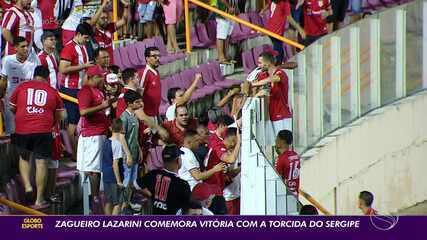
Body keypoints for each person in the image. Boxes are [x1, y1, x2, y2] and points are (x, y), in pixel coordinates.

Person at [9, 66, 65, 206]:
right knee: (41, 163)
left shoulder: (22, 87)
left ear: (34, 75)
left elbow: (11, 107)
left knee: (24, 158)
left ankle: (28, 186)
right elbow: (60, 116)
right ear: (47, 78)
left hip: (22, 128)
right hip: (43, 129)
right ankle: (39, 198)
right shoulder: (52, 91)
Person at [77, 66, 117, 202]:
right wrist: (103, 106)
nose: (101, 79)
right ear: (90, 78)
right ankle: (93, 199)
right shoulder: (86, 91)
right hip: (91, 134)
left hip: (99, 132)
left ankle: (93, 198)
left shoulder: (97, 91)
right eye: (99, 77)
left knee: (95, 167)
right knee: (92, 168)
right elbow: (83, 112)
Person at [59, 22, 94, 160]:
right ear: (78, 34)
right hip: (70, 90)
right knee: (73, 122)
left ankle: (79, 151)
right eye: (85, 38)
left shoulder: (83, 47)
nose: (87, 41)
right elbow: (63, 69)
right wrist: (83, 66)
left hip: (80, 89)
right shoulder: (69, 48)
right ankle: (74, 154)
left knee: (80, 122)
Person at [135, 144, 191, 215]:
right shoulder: (183, 185)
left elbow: (135, 185)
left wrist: (149, 195)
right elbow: (188, 210)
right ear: (178, 160)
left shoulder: (153, 174)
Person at [0, 37, 39, 135]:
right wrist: (1, 96)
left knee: (27, 131)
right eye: (23, 46)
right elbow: (3, 80)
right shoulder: (7, 60)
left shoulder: (34, 62)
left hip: (28, 102)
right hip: (10, 101)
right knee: (11, 131)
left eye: (27, 46)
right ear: (16, 48)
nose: (26, 49)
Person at [251, 52, 292, 135]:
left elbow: (275, 78)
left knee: (285, 143)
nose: (258, 65)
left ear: (268, 63)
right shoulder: (262, 75)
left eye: (260, 63)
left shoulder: (280, 73)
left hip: (282, 115)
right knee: (276, 144)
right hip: (269, 116)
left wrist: (258, 83)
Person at [261, 0, 305, 65]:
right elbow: (290, 19)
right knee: (279, 51)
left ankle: (276, 65)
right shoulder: (282, 3)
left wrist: (299, 29)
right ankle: (275, 66)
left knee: (279, 50)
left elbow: (289, 18)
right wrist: (263, 10)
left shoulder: (284, 3)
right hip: (274, 31)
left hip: (274, 30)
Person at [120, 89, 143, 210]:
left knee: (133, 181)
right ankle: (122, 206)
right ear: (129, 103)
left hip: (134, 153)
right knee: (127, 181)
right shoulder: (124, 117)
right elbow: (122, 137)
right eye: (137, 102)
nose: (140, 104)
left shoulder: (135, 116)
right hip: (127, 155)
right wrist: (128, 155)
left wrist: (139, 150)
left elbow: (134, 136)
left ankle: (128, 203)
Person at [205, 119, 241, 190]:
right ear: (233, 142)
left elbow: (228, 174)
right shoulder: (219, 147)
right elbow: (231, 159)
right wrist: (239, 142)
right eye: (237, 142)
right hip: (212, 190)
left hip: (219, 189)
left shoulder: (223, 147)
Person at [102, 118, 126, 215]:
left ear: (110, 128)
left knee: (108, 201)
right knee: (117, 203)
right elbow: (115, 164)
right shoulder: (117, 144)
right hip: (114, 177)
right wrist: (119, 181)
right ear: (122, 129)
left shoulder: (106, 142)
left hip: (106, 176)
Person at [274, 130, 300, 196]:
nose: (275, 141)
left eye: (277, 139)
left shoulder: (281, 159)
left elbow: (276, 179)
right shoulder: (296, 155)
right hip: (295, 193)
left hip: (285, 195)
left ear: (282, 142)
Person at [138, 46, 161, 121]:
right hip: (147, 115)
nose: (157, 58)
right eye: (154, 56)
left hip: (155, 113)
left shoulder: (156, 72)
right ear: (147, 58)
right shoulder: (145, 73)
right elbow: (138, 94)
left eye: (158, 56)